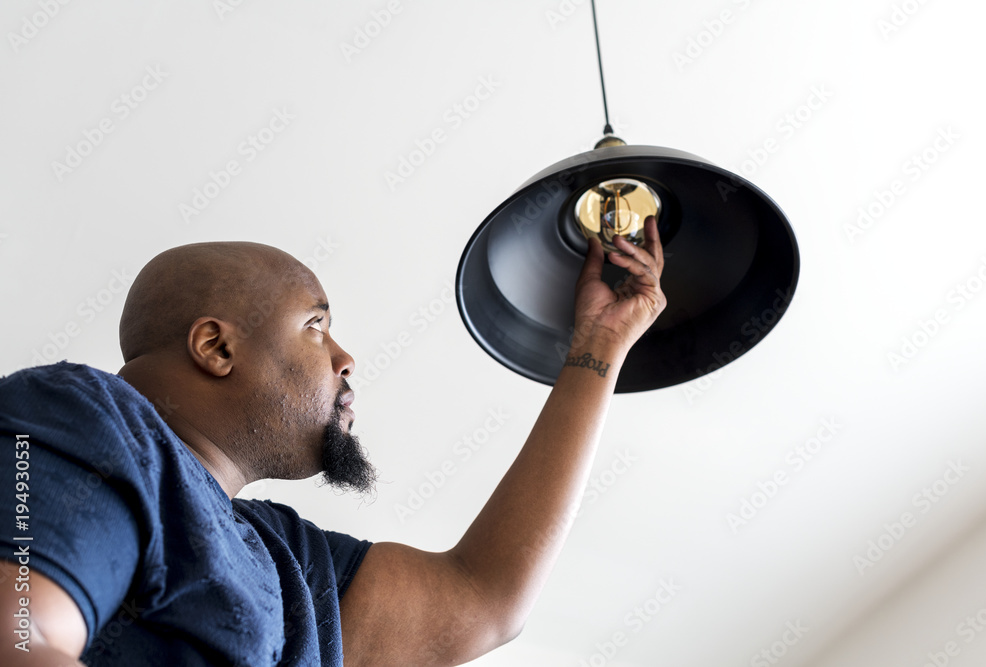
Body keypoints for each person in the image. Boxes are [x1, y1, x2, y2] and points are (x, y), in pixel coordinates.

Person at [0, 217, 665, 666]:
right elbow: (17, 635)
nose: (346, 357)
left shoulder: (284, 556)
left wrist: (599, 346)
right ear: (216, 345)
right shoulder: (84, 416)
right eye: (317, 323)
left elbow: (482, 596)